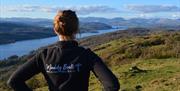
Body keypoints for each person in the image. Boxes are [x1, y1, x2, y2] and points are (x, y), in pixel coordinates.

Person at [7, 10, 120, 91]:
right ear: (76, 30)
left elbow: (14, 81)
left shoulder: (44, 56)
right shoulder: (87, 55)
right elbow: (112, 85)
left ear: (55, 30)